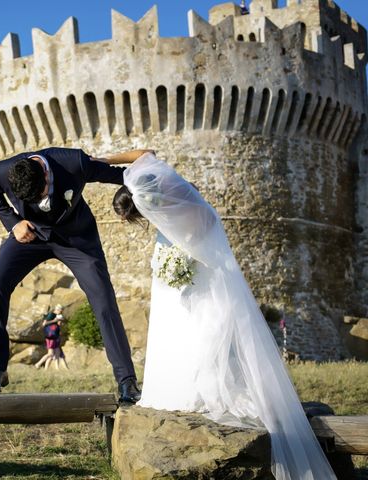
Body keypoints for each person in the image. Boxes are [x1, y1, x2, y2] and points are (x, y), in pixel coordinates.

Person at [112, 153, 336, 479]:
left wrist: (178, 266)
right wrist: (104, 158)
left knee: (192, 330)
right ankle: (195, 383)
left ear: (142, 206)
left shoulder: (169, 210)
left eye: (133, 217)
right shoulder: (181, 199)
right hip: (188, 276)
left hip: (190, 281)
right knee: (197, 331)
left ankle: (194, 387)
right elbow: (146, 156)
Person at [0, 147, 147, 401]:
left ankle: (127, 380)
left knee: (103, 298)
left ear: (46, 176)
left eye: (39, 196)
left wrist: (159, 180)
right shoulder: (2, 172)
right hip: (31, 235)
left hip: (76, 237)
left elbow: (123, 176)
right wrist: (14, 223)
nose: (38, 203)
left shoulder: (74, 163)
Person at [35, 304, 69, 370]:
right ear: (57, 309)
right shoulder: (51, 315)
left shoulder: (57, 316)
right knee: (50, 354)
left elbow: (56, 325)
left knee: (56, 353)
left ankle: (47, 370)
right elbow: (44, 324)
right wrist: (54, 320)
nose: (61, 312)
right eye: (61, 311)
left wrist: (59, 322)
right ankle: (38, 364)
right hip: (50, 337)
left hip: (55, 337)